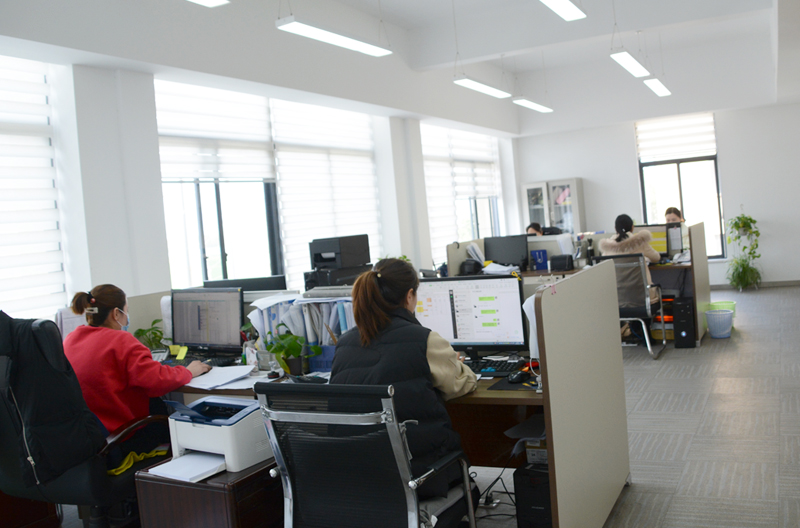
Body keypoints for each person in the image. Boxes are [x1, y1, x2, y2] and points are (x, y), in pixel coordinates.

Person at [330, 259, 478, 500]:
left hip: (361, 479)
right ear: (409, 296)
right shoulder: (423, 339)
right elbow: (460, 384)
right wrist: (458, 366)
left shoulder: (344, 343)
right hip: (420, 477)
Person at [64, 284, 210, 461]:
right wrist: (188, 371)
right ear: (116, 313)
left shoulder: (71, 339)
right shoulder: (120, 340)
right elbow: (157, 381)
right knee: (166, 413)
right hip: (120, 438)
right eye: (126, 311)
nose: (127, 317)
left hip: (87, 441)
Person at [598, 214, 661, 303]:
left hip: (618, 299)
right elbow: (656, 258)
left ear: (615, 228)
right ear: (632, 227)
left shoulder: (608, 247)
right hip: (642, 298)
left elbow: (603, 264)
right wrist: (645, 259)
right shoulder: (639, 242)